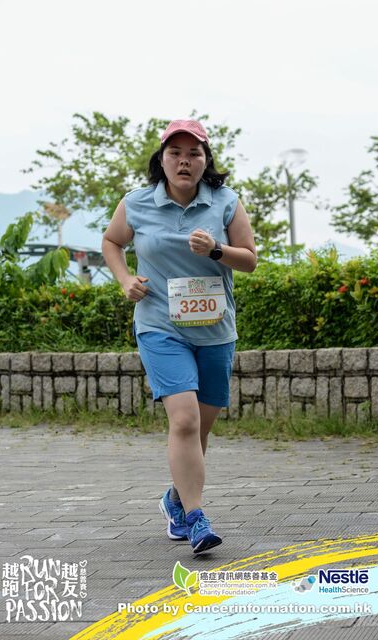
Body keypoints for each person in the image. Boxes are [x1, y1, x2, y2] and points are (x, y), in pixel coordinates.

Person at [102, 119, 257, 553]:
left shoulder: (225, 201)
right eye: (175, 153)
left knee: (200, 429)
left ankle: (175, 498)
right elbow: (112, 242)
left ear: (205, 161)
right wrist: (125, 280)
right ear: (162, 159)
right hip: (160, 326)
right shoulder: (136, 202)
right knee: (184, 420)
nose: (184, 161)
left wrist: (216, 250)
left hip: (215, 330)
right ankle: (196, 518)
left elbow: (249, 260)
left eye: (193, 153)